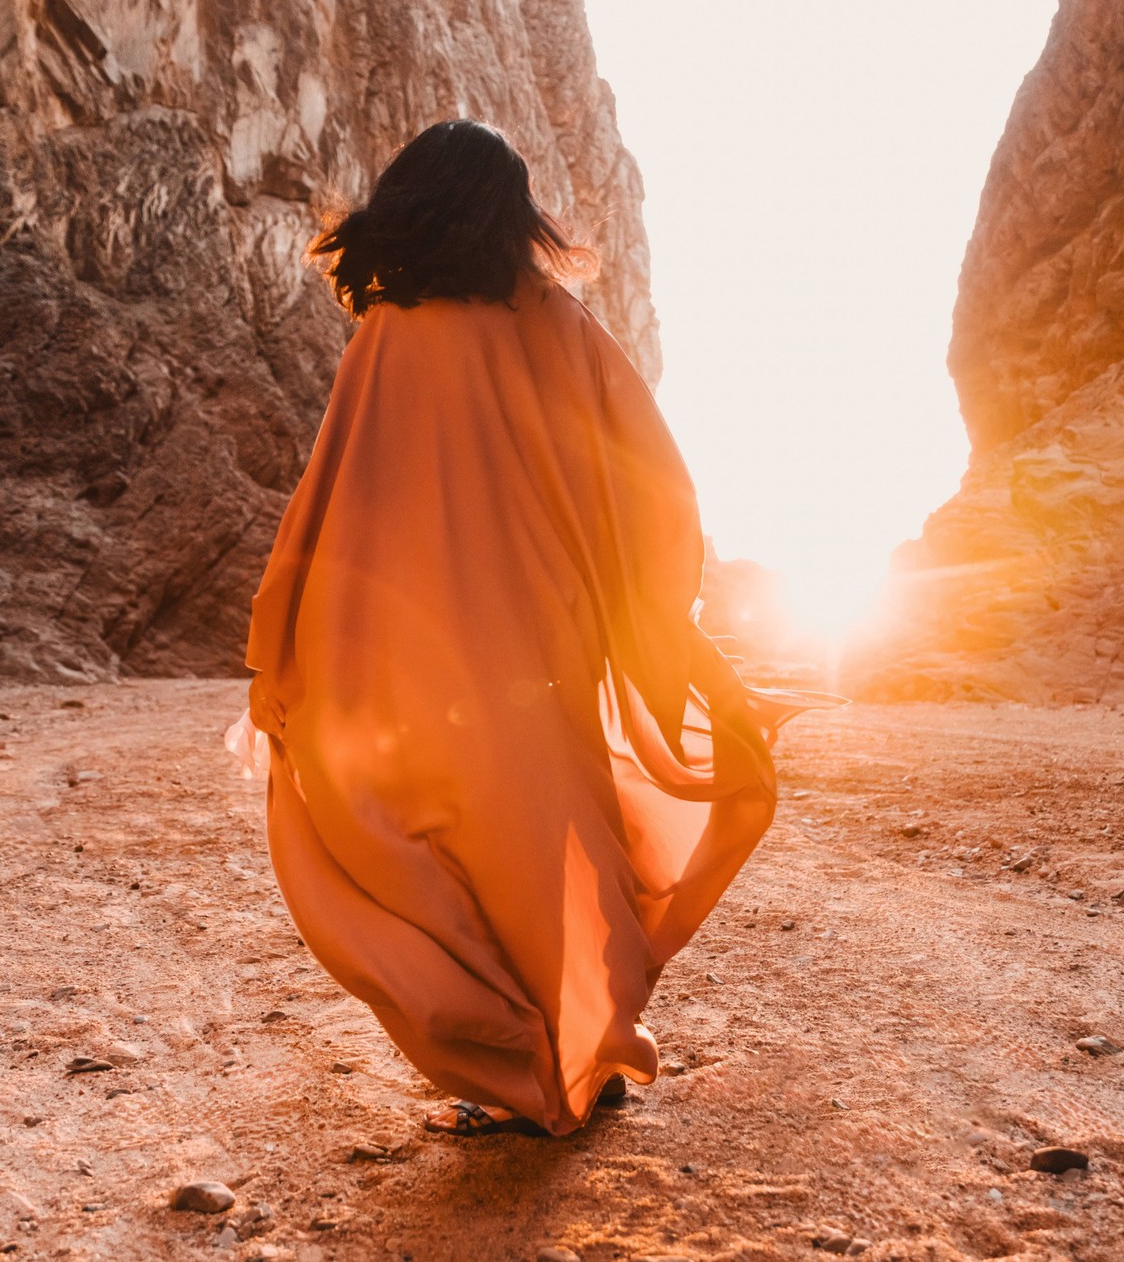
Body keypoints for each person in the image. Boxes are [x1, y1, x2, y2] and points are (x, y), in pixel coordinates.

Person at [232, 120, 838, 1137]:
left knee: (433, 846)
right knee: (553, 837)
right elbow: (652, 479)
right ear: (509, 216)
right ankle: (579, 1051)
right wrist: (639, 609)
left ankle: (514, 1054)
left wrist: (288, 646)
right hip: (545, 640)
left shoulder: (391, 332)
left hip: (415, 653)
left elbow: (330, 506)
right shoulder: (554, 324)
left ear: (409, 203)